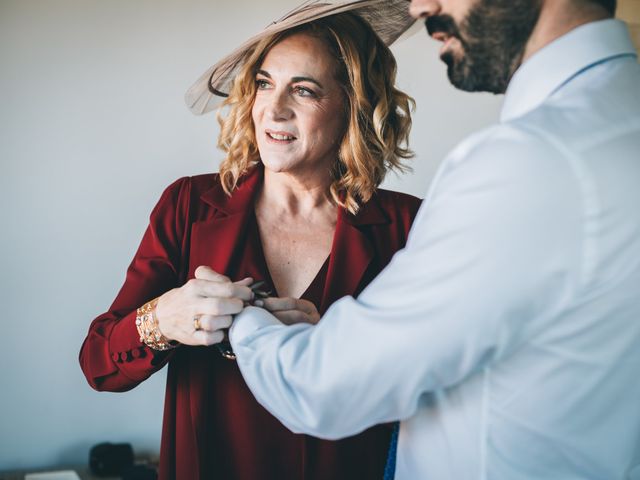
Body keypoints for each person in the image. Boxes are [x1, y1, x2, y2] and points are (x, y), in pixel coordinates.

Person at [228, 0, 640, 478]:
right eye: (264, 83)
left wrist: (246, 322)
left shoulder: (528, 161)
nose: (421, 6)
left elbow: (323, 388)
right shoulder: (617, 124)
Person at [79, 1, 422, 479]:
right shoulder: (189, 206)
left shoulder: (408, 225)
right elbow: (98, 365)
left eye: (303, 90)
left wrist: (338, 346)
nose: (274, 109)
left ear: (352, 104)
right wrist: (162, 319)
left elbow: (435, 385)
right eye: (264, 83)